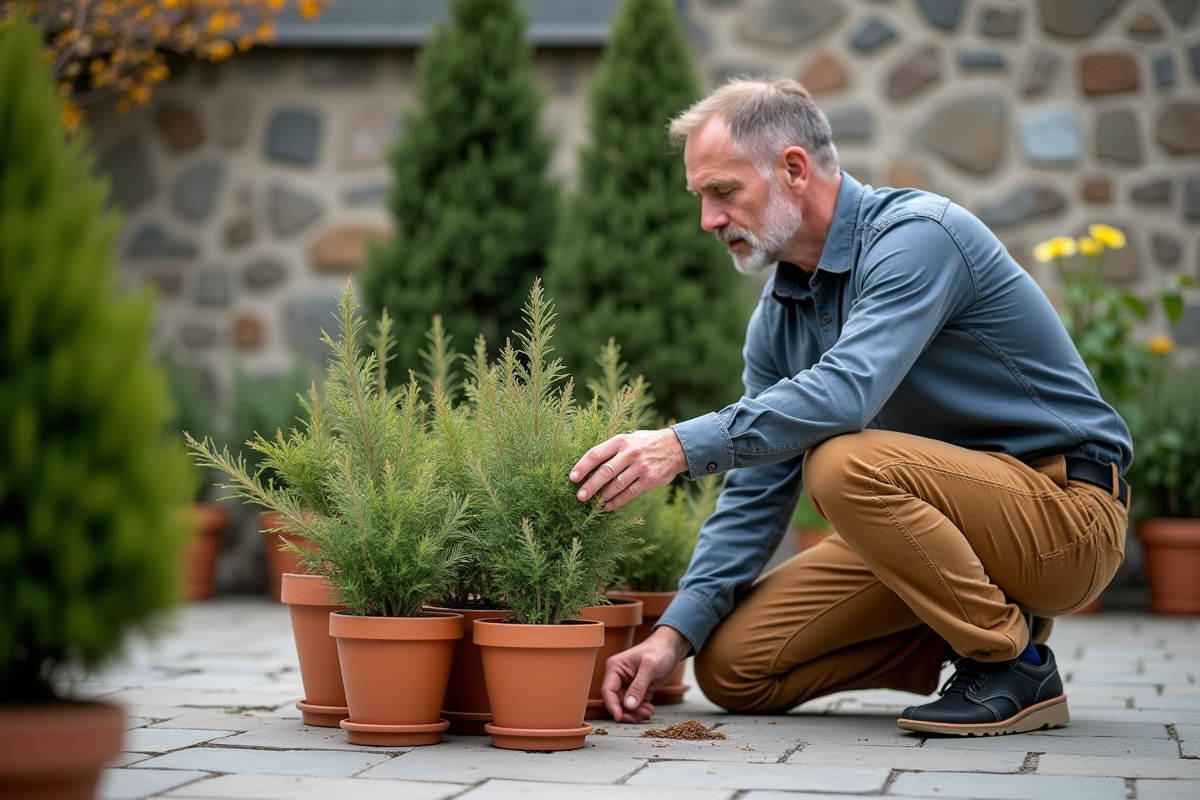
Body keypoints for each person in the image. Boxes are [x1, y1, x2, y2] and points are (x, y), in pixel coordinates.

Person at [568, 78, 1130, 737]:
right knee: (733, 668)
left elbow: (846, 392)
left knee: (840, 462)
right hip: (954, 537)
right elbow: (757, 490)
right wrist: (672, 637)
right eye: (701, 198)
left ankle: (1014, 663)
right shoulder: (781, 315)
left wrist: (680, 445)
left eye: (723, 192)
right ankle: (968, 630)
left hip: (1067, 520)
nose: (708, 221)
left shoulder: (918, 238)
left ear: (794, 170)